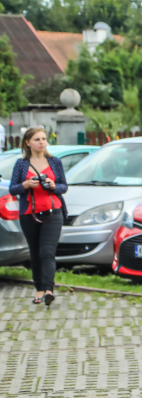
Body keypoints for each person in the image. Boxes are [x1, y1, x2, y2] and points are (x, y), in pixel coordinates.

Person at [9, 127, 67, 306]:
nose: (41, 142)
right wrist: (26, 184)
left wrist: (52, 185)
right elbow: (13, 188)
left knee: (47, 252)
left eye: (43, 139)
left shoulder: (55, 162)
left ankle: (49, 289)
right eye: (37, 139)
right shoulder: (21, 164)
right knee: (35, 252)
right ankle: (39, 288)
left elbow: (63, 186)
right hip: (29, 214)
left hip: (53, 212)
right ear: (28, 143)